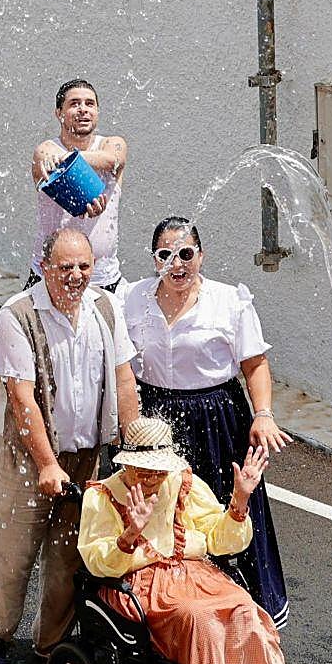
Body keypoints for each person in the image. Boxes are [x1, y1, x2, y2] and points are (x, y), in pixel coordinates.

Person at [0, 229, 140, 664]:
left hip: (84, 457)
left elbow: (124, 378)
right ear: (45, 267)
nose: (75, 276)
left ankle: (51, 643)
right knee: (12, 555)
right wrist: (47, 463)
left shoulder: (107, 308)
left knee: (69, 558)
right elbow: (21, 398)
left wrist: (135, 448)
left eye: (84, 266)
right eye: (65, 267)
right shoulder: (18, 315)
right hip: (26, 459)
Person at [79, 416, 291, 664]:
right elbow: (96, 560)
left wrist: (240, 500)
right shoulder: (102, 496)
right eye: (145, 471)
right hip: (140, 582)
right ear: (128, 465)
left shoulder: (182, 482)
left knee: (242, 608)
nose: (153, 478)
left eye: (159, 471)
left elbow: (219, 540)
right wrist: (130, 534)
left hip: (194, 573)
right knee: (201, 619)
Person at [122, 217, 291, 623]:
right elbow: (121, 367)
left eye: (186, 254)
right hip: (154, 418)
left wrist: (263, 414)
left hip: (216, 418)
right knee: (159, 510)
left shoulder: (229, 301)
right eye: (165, 255)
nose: (176, 264)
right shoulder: (132, 298)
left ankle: (244, 612)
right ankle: (166, 610)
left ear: (201, 255)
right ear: (154, 259)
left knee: (224, 506)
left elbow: (255, 364)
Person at [32, 79, 127, 291]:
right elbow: (47, 161)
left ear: (97, 111)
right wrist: (84, 204)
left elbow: (111, 160)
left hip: (103, 278)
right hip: (51, 277)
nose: (83, 109)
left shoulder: (112, 144)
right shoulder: (47, 149)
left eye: (89, 104)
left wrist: (67, 159)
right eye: (74, 103)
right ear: (59, 113)